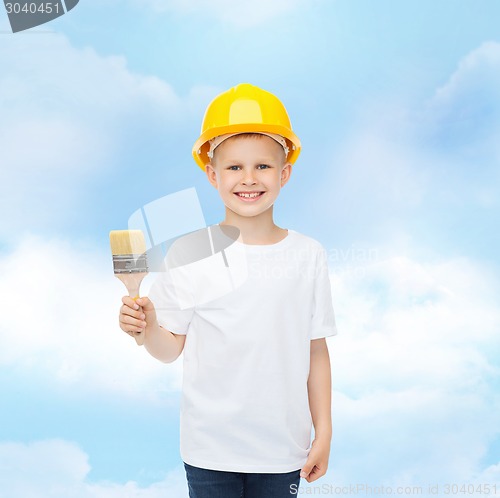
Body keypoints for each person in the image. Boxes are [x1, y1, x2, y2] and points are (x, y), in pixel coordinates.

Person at [118, 83, 338, 498]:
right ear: (212, 174)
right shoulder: (188, 253)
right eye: (234, 168)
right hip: (209, 450)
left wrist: (323, 431)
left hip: (282, 449)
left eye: (263, 167)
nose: (249, 179)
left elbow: (316, 349)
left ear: (285, 173)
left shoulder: (308, 255)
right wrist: (145, 328)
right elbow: (170, 349)